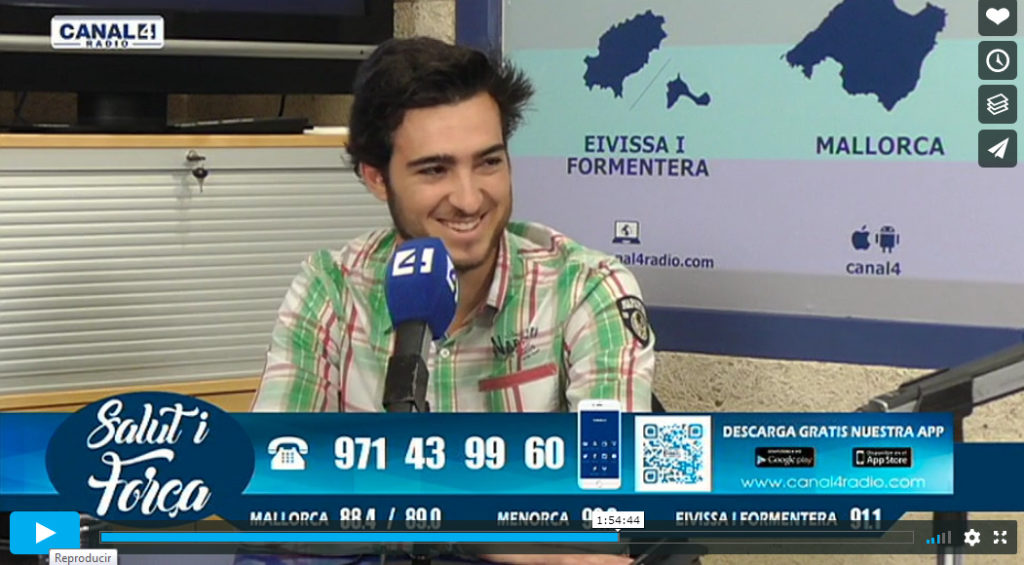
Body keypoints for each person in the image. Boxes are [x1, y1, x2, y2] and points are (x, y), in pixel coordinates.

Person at [247, 37, 659, 565]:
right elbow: (272, 495)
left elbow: (603, 509)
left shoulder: (588, 288)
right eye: (434, 170)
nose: (468, 199)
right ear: (376, 177)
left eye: (488, 162)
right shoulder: (329, 288)